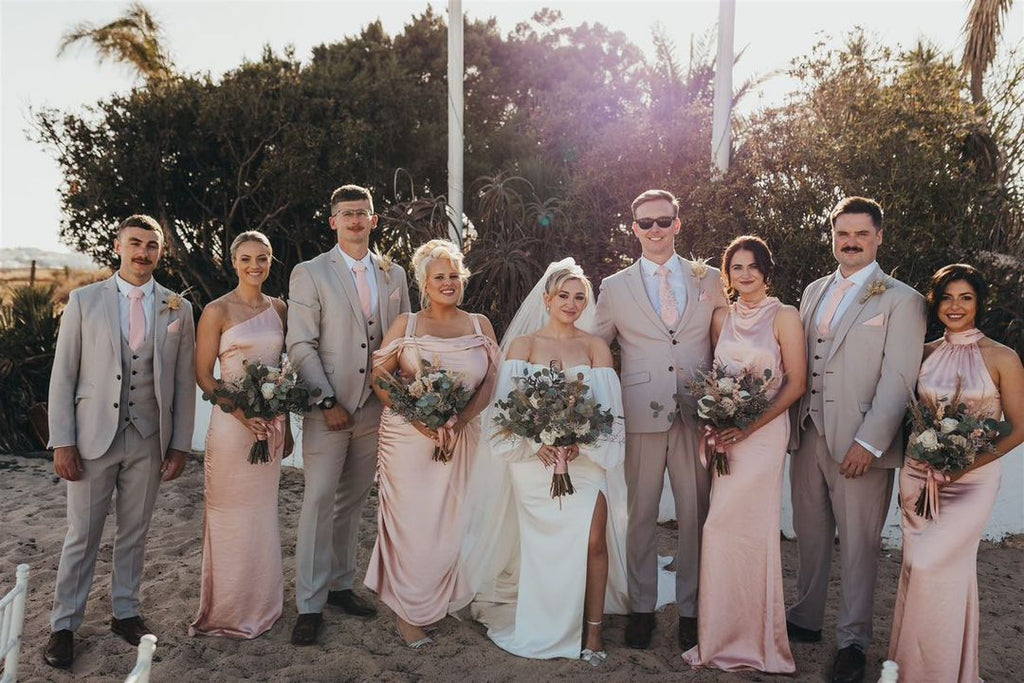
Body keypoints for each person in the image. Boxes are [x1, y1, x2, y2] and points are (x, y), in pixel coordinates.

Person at [43, 214, 196, 669]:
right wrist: (63, 441)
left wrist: (180, 445)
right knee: (82, 535)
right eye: (135, 243)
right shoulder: (84, 301)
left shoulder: (177, 308)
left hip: (149, 439)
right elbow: (63, 376)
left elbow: (183, 385)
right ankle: (64, 625)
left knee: (135, 532)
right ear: (118, 246)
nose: (143, 252)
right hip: (91, 439)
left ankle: (125, 612)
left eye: (152, 245)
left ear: (160, 252)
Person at [461, 260, 629, 665]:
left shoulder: (595, 346)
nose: (571, 304)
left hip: (584, 460)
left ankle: (593, 632)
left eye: (579, 297)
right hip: (533, 462)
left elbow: (611, 411)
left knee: (594, 539)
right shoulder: (524, 346)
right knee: (544, 547)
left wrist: (581, 442)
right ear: (547, 299)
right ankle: (547, 623)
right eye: (564, 296)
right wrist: (536, 445)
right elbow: (504, 411)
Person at [787, 196, 926, 683]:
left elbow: (899, 378)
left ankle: (852, 641)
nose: (850, 242)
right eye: (842, 233)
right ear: (832, 236)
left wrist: (868, 444)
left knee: (860, 545)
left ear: (879, 236)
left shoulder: (902, 299)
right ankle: (804, 619)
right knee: (811, 534)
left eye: (861, 234)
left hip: (860, 444)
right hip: (806, 434)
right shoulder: (812, 291)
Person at [593, 189, 728, 650]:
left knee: (695, 515)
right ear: (634, 229)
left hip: (698, 415)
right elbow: (596, 348)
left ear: (677, 223)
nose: (655, 230)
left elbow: (725, 341)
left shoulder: (710, 278)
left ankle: (691, 610)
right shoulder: (613, 287)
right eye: (645, 223)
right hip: (639, 415)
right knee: (640, 516)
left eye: (663, 221)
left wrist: (729, 401)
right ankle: (641, 609)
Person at [286, 184, 411, 645]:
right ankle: (309, 603)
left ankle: (340, 585)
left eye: (363, 213)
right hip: (329, 408)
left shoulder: (394, 273)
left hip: (377, 409)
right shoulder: (310, 272)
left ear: (374, 220)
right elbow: (300, 343)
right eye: (346, 213)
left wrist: (402, 398)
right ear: (333, 221)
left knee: (354, 501)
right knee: (318, 501)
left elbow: (403, 341)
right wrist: (325, 401)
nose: (356, 220)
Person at [888, 264, 1023, 682]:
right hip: (919, 477)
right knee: (923, 570)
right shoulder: (924, 352)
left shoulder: (1002, 357)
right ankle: (916, 669)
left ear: (979, 303)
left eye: (965, 297)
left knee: (934, 566)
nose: (955, 306)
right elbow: (909, 414)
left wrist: (964, 464)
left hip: (972, 483)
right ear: (935, 302)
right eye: (947, 297)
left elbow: (1019, 428)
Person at [364, 239, 499, 648]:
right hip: (407, 439)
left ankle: (434, 604)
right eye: (439, 276)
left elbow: (491, 382)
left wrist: (460, 419)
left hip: (461, 436)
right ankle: (408, 614)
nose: (447, 283)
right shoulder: (406, 324)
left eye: (454, 276)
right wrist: (421, 419)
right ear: (424, 282)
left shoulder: (480, 325)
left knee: (452, 524)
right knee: (413, 525)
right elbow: (381, 377)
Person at [681, 236, 805, 674]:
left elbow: (796, 383)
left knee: (753, 532)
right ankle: (719, 637)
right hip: (724, 435)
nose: (745, 274)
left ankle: (758, 640)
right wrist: (717, 418)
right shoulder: (721, 318)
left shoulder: (785, 315)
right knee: (719, 529)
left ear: (766, 271)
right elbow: (715, 376)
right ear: (728, 274)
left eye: (753, 266)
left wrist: (747, 426)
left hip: (763, 435)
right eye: (737, 267)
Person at [190, 231, 290, 639]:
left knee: (262, 516)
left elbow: (282, 369)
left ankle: (262, 604)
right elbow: (203, 375)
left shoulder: (280, 308)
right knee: (229, 517)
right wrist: (242, 413)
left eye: (263, 258)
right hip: (232, 430)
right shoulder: (216, 311)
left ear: (271, 262)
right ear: (234, 262)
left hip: (271, 426)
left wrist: (280, 423)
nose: (255, 266)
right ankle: (228, 610)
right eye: (247, 258)